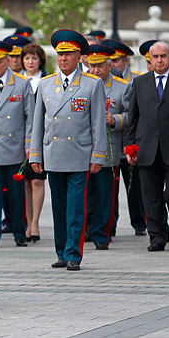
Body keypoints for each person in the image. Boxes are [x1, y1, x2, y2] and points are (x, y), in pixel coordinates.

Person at [29, 30, 106, 271]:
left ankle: (74, 253)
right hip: (53, 154)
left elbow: (98, 124)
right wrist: (35, 154)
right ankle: (61, 251)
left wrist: (98, 155)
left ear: (79, 56)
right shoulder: (45, 84)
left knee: (75, 208)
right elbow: (37, 123)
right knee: (59, 207)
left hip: (79, 155)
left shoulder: (92, 84)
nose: (63, 59)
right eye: (60, 54)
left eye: (68, 54)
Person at [125, 41, 169, 252]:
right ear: (149, 59)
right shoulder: (139, 83)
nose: (159, 60)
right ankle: (157, 236)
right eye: (155, 57)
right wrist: (130, 147)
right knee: (151, 196)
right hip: (146, 148)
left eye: (163, 56)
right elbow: (133, 118)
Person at [0, 40, 35, 249]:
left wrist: (29, 144)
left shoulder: (21, 83)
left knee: (16, 193)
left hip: (14, 147)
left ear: (8, 60)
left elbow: (30, 116)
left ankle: (20, 232)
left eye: (0, 61)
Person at [84, 44, 128, 249]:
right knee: (86, 193)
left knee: (105, 193)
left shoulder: (121, 86)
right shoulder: (83, 84)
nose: (95, 70)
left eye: (99, 66)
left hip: (109, 147)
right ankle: (86, 230)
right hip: (84, 147)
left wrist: (116, 119)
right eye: (91, 66)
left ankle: (102, 233)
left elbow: (131, 115)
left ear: (109, 65)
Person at [101, 38, 146, 236]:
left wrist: (116, 119)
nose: (114, 64)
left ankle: (139, 222)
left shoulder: (132, 81)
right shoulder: (95, 81)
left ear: (124, 61)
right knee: (109, 189)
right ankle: (110, 225)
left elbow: (134, 114)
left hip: (127, 142)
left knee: (133, 187)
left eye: (117, 60)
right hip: (107, 145)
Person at [21, 43, 46, 242]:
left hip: (42, 137)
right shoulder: (17, 80)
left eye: (34, 58)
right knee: (26, 182)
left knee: (37, 179)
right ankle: (27, 222)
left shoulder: (46, 81)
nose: (30, 62)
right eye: (27, 58)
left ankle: (35, 222)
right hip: (19, 138)